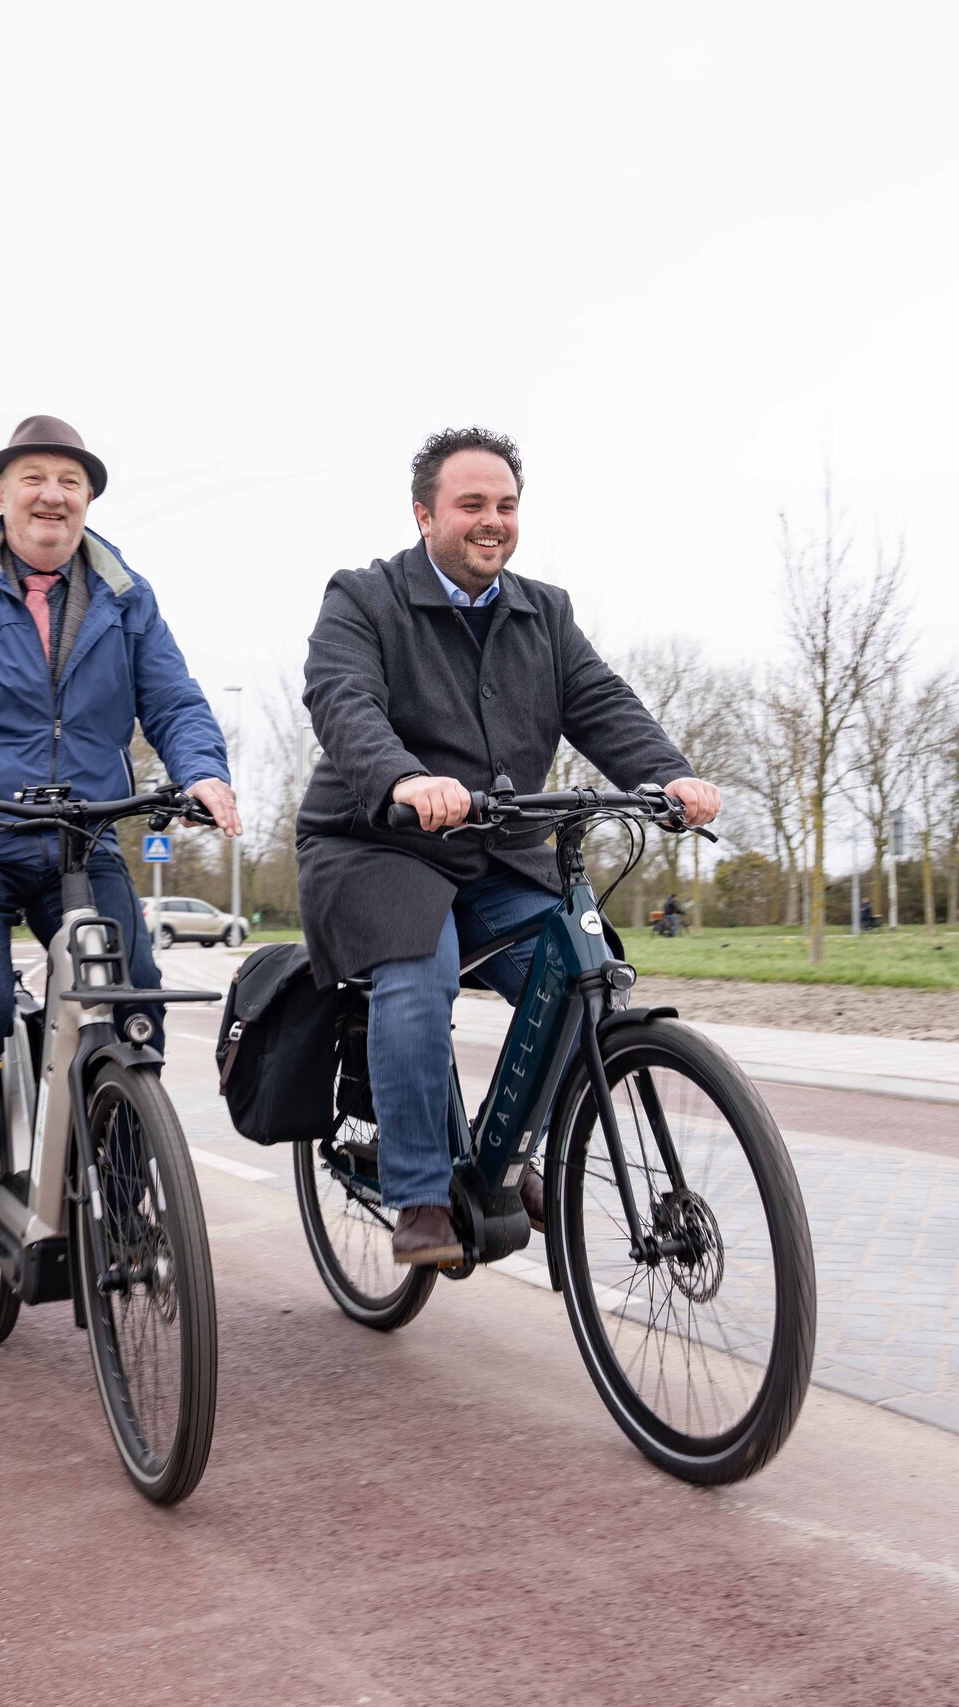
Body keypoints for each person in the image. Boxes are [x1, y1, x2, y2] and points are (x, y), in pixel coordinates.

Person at [295, 427, 721, 1267]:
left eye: (506, 506)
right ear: (425, 515)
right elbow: (343, 699)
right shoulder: (363, 598)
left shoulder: (544, 610)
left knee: (584, 976)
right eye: (471, 505)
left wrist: (669, 776)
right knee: (417, 974)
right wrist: (403, 780)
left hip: (500, 854)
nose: (492, 521)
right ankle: (419, 1193)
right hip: (382, 846)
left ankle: (511, 1154)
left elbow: (601, 701)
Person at [0, 416, 240, 1268]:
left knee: (134, 1003)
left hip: (79, 836)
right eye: (33, 477)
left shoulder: (126, 598)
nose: (51, 495)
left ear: (89, 498)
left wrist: (202, 770)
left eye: (70, 481)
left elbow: (173, 700)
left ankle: (128, 1191)